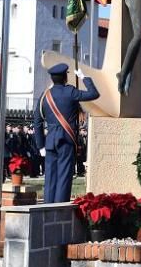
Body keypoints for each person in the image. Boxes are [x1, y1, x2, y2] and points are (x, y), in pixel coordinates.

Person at [34, 62, 99, 203]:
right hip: (66, 139)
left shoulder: (45, 95)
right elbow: (94, 94)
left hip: (50, 141)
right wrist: (83, 77)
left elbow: (37, 122)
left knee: (50, 177)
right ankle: (59, 209)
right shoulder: (70, 92)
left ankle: (47, 208)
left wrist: (40, 146)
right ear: (65, 77)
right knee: (64, 176)